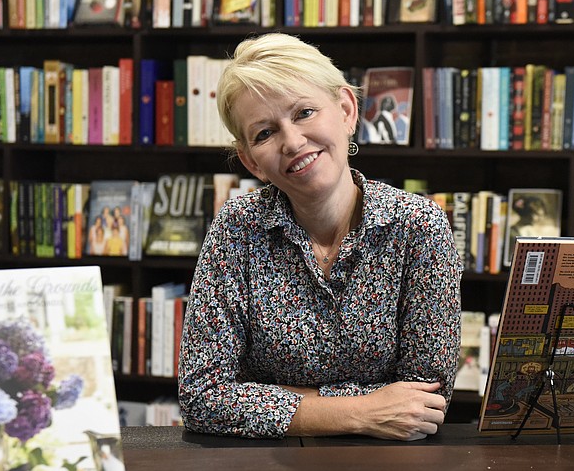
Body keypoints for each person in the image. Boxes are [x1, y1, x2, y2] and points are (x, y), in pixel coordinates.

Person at [178, 33, 462, 441]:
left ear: (347, 110)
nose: (292, 142)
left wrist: (271, 400)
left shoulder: (419, 226)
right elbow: (202, 397)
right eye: (264, 133)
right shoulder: (236, 228)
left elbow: (425, 402)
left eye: (305, 112)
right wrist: (361, 411)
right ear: (250, 161)